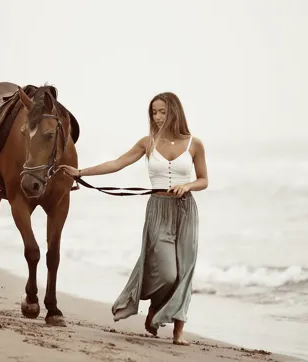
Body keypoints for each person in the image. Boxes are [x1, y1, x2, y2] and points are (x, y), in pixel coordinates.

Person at [59, 92, 208, 345]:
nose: (158, 117)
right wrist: (81, 172)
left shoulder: (194, 144)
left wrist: (188, 186)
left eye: (162, 112)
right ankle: (155, 308)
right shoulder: (147, 143)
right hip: (158, 210)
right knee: (169, 273)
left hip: (185, 212)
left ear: (175, 112)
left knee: (185, 270)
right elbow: (118, 163)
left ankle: (177, 333)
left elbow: (204, 180)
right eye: (154, 112)